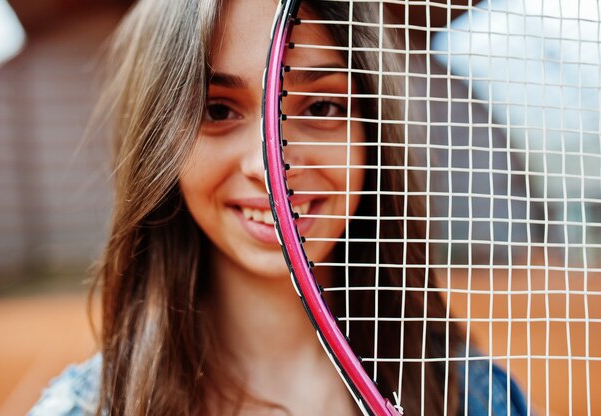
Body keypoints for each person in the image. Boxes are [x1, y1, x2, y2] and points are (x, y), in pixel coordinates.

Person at [30, 0, 528, 415]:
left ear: (373, 133)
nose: (272, 163)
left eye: (322, 108)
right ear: (157, 142)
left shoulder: (484, 399)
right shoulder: (78, 409)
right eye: (218, 110)